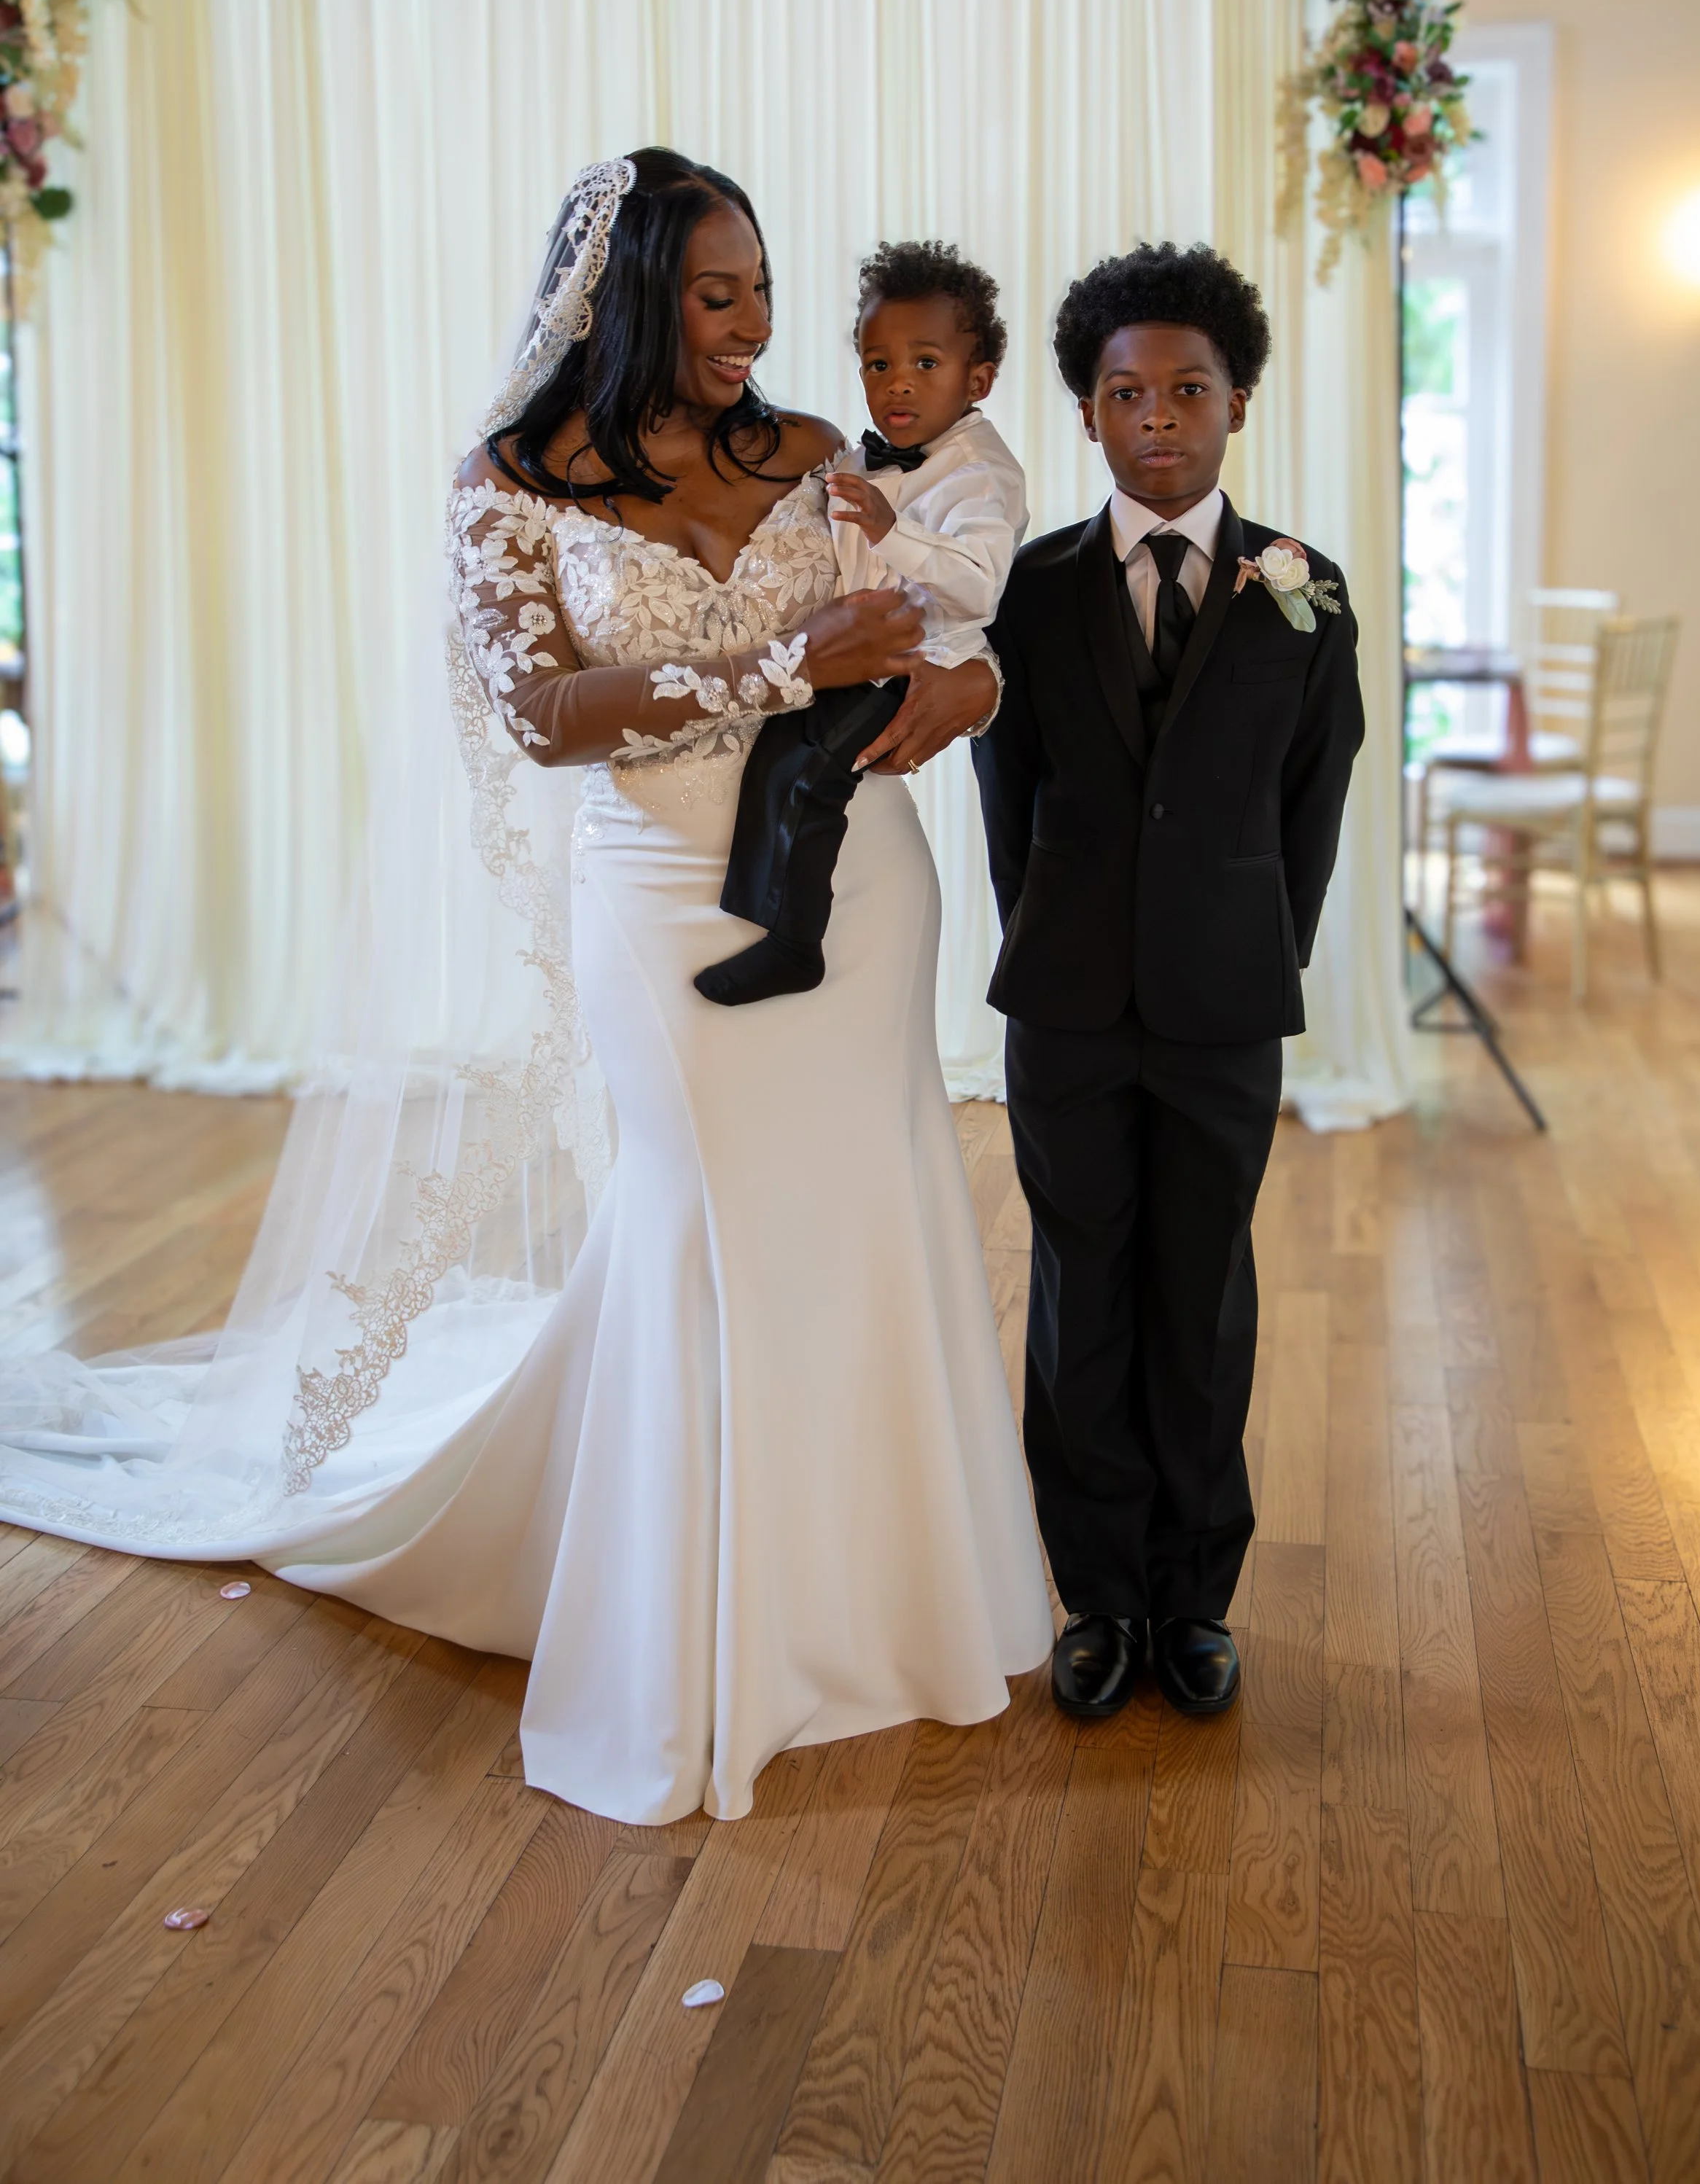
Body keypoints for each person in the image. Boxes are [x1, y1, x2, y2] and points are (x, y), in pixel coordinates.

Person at [0, 149, 1053, 1825]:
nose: (753, 325)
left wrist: (975, 683)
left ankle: (884, 1603)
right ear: (627, 296)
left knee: (867, 1200)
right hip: (661, 899)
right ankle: (705, 1626)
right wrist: (774, 663)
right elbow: (539, 712)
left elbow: (932, 612)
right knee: (703, 1216)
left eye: (763, 291)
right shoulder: (508, 481)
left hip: (860, 881)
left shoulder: (811, 450)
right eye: (717, 294)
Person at [974, 242, 1364, 1723]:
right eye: (1125, 393)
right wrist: (1057, 941)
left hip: (1224, 1000)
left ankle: (1195, 1597)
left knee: (1201, 1295)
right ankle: (1100, 1598)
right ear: (1085, 411)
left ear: (1237, 402)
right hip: (1067, 1005)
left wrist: (1257, 946)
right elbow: (1007, 800)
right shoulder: (1029, 589)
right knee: (1079, 1292)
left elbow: (1315, 795)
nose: (1157, 418)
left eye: (1186, 390)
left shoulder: (1302, 587)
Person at [699, 239, 1026, 1007]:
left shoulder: (982, 473)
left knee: (810, 775)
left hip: (912, 665)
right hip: (854, 655)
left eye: (925, 363)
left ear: (978, 380)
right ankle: (757, 917)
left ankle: (794, 943)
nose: (897, 383)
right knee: (778, 757)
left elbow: (978, 588)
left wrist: (890, 530)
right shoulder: (854, 457)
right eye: (878, 365)